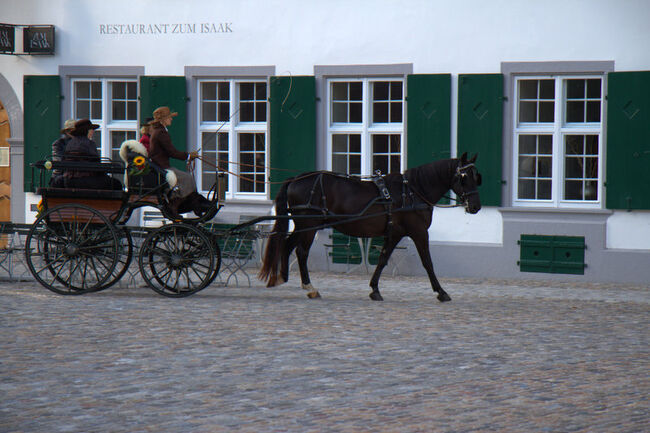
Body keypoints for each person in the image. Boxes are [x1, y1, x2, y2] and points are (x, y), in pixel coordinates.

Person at [148, 106, 212, 216]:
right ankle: (175, 205)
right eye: (169, 117)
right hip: (162, 168)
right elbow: (172, 152)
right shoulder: (161, 133)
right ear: (163, 120)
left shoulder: (158, 131)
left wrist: (188, 156)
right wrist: (188, 155)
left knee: (187, 178)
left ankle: (195, 203)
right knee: (187, 178)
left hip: (161, 166)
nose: (171, 119)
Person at [63, 119, 122, 190]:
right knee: (116, 183)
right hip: (84, 180)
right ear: (86, 131)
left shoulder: (70, 143)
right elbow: (96, 164)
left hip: (68, 180)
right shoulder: (89, 143)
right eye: (91, 129)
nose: (93, 131)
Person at [49, 119, 75, 187]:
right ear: (67, 132)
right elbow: (59, 161)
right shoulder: (58, 144)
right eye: (73, 130)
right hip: (61, 175)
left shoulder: (80, 143)